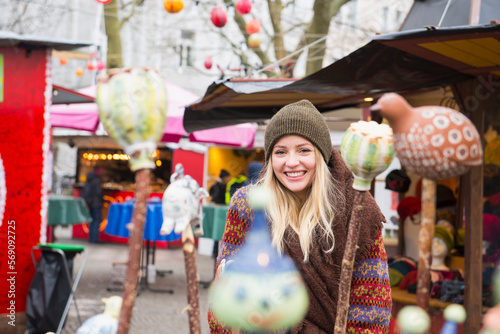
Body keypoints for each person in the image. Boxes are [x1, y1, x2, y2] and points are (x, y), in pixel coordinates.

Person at [208, 100, 391, 333]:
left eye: (304, 150)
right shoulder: (249, 205)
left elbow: (372, 312)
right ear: (270, 158)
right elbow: (226, 298)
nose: (292, 162)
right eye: (280, 152)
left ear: (322, 155)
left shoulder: (357, 211)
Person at [81, 166, 104, 243]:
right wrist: (102, 200)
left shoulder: (89, 179)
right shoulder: (97, 180)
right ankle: (94, 238)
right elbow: (98, 192)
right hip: (96, 203)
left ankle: (91, 237)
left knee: (93, 220)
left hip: (90, 203)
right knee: (97, 220)